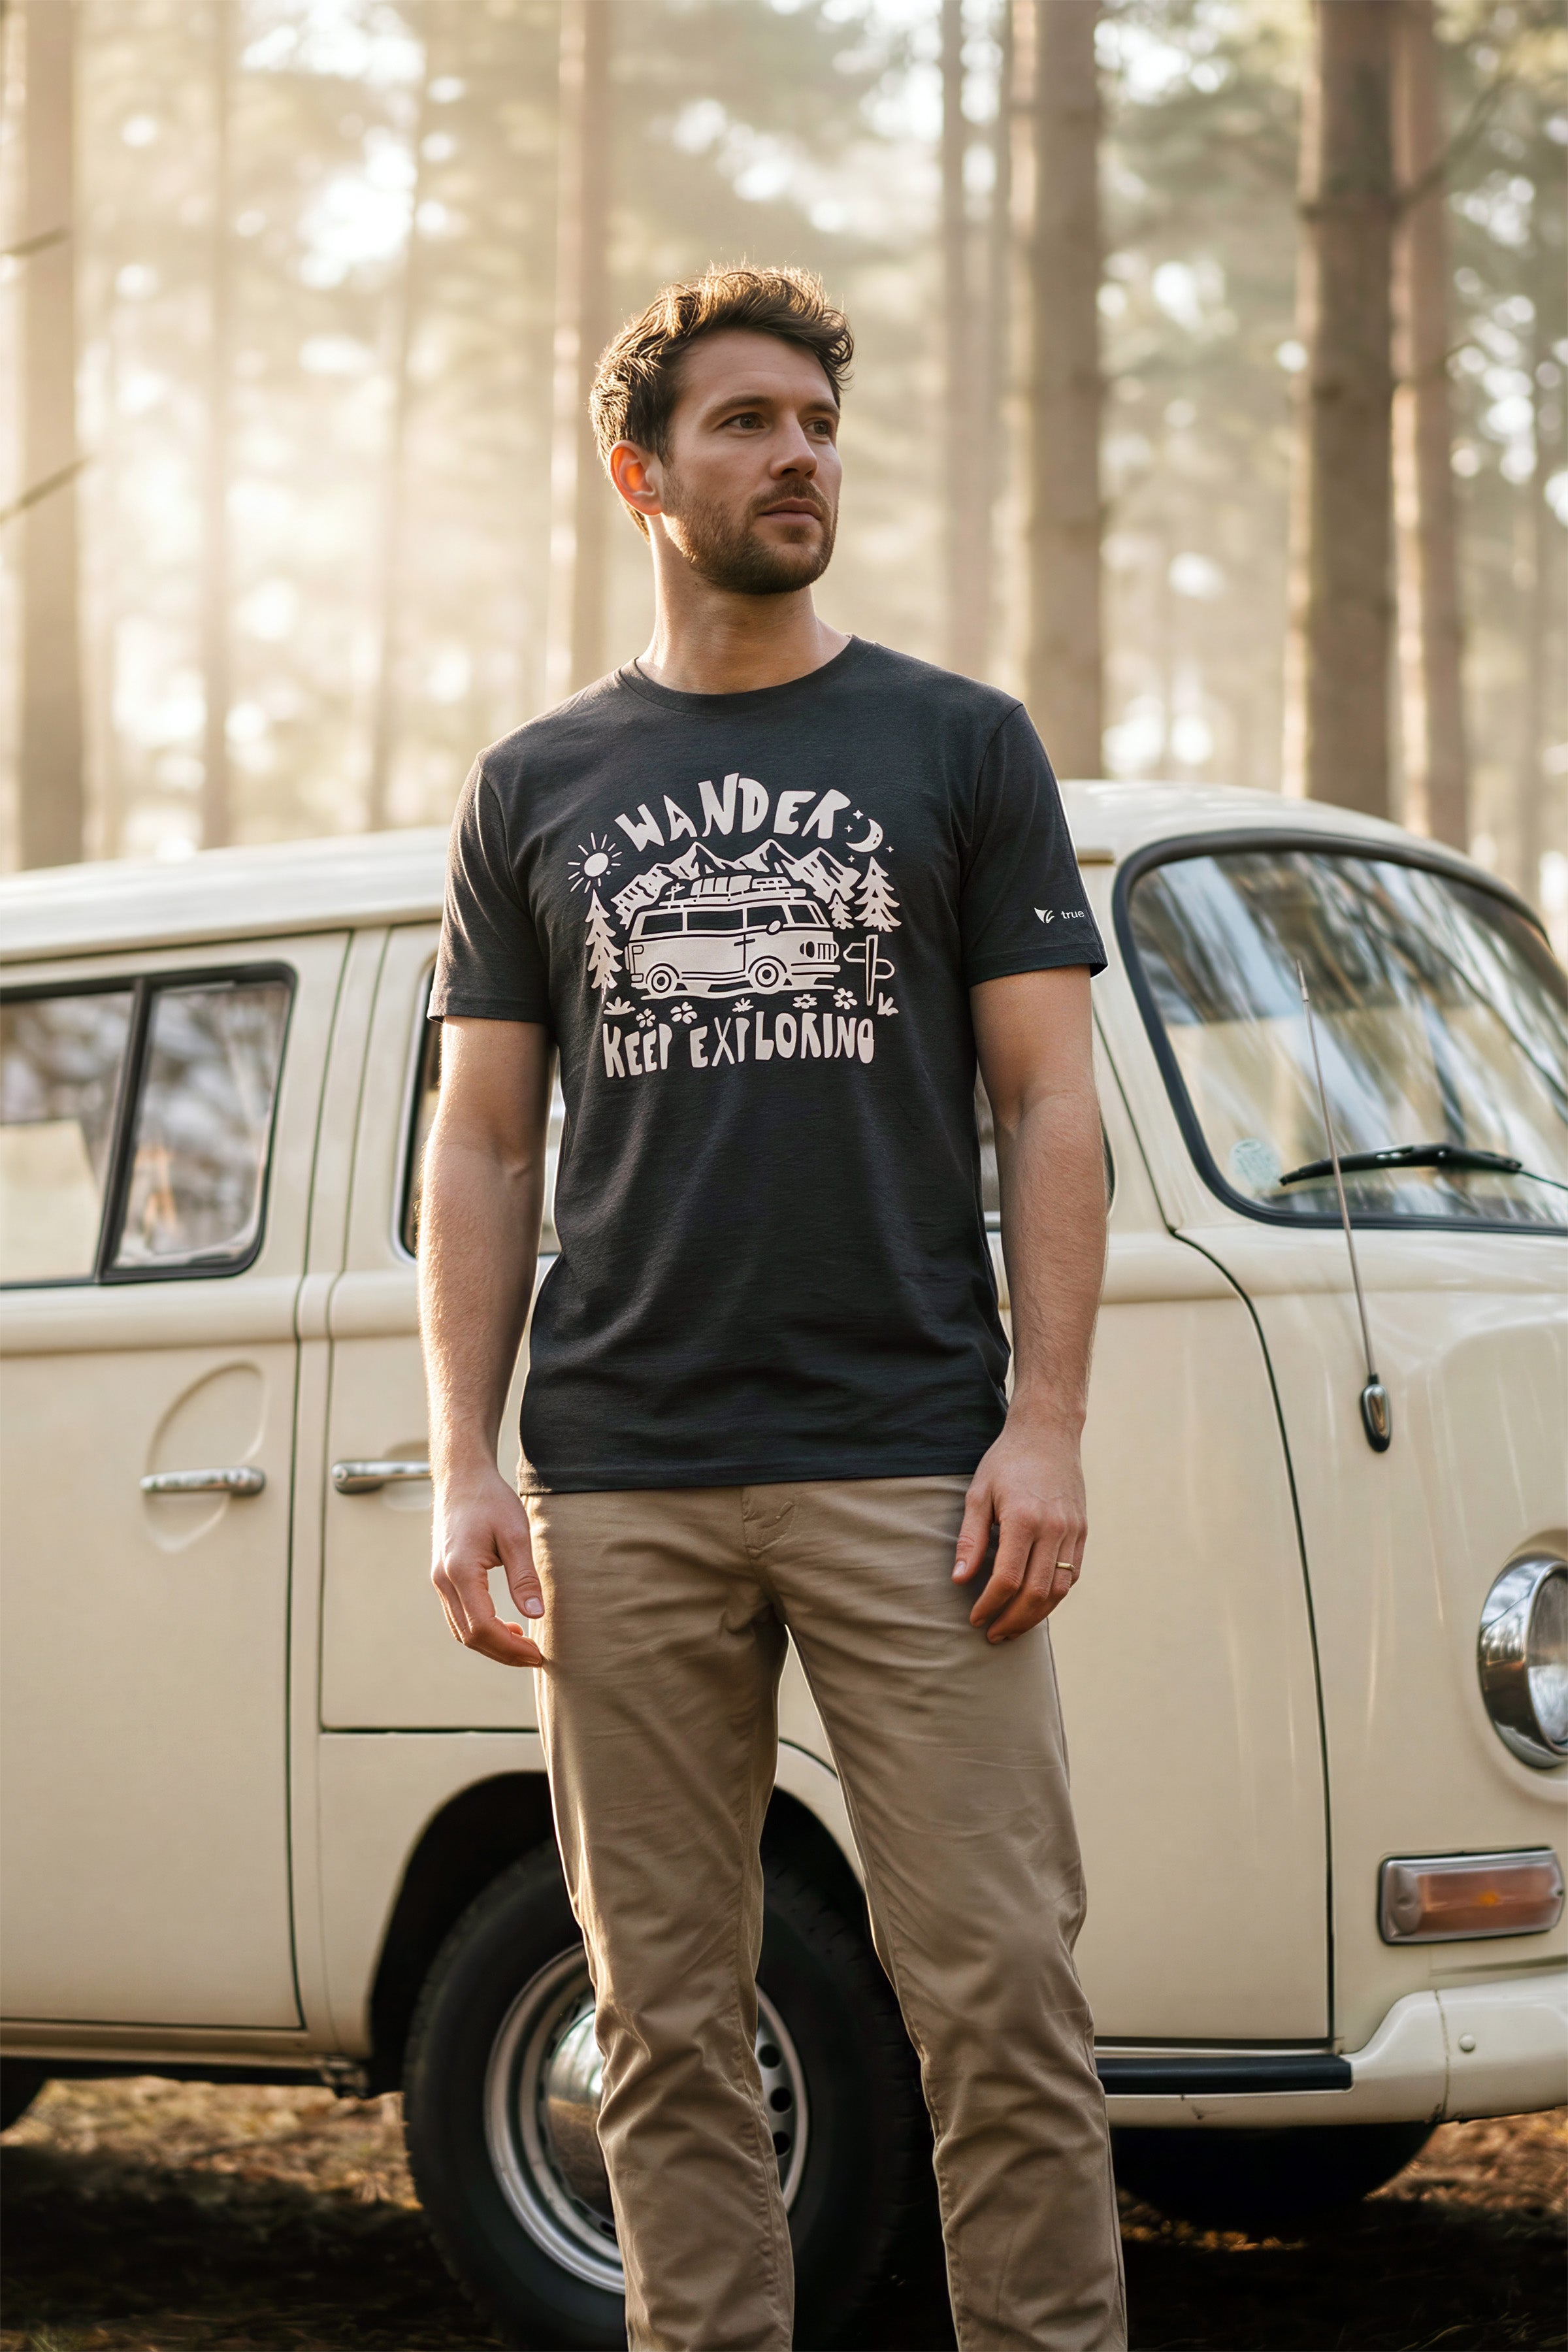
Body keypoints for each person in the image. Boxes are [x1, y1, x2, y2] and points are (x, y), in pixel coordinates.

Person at [421, 263, 1125, 2352]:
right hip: (623, 1477)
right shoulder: (535, 781)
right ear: (644, 476)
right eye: (748, 423)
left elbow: (1053, 1099)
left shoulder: (958, 743)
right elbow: (480, 1145)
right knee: (661, 2016)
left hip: (919, 1465)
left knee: (1001, 1988)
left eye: (818, 422)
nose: (799, 454)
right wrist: (467, 1460)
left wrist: (1051, 1421)